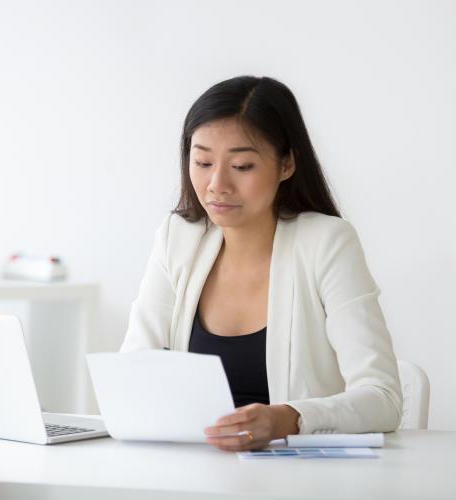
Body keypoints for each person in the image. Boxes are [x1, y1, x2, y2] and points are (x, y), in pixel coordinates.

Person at [120, 76, 402, 451]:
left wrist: (289, 418)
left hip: (294, 479)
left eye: (242, 166)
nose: (216, 184)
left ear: (286, 165)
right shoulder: (178, 237)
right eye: (202, 161)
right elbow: (133, 371)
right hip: (190, 469)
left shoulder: (327, 243)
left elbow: (382, 398)